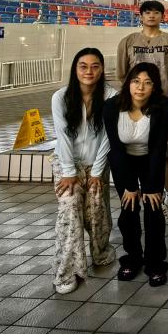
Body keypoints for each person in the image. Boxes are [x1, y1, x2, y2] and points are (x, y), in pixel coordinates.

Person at [51, 48, 117, 295]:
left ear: (102, 69)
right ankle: (67, 272)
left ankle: (101, 251)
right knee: (70, 210)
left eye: (95, 66)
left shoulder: (111, 96)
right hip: (66, 163)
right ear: (75, 69)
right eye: (83, 66)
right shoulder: (61, 97)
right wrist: (69, 172)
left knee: (96, 209)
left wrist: (97, 172)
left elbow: (108, 137)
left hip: (97, 162)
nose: (89, 71)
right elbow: (62, 136)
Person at [103, 62, 168, 286]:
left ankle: (155, 262)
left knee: (153, 209)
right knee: (129, 208)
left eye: (147, 82)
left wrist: (151, 187)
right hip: (124, 161)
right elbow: (115, 149)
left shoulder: (163, 106)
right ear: (128, 83)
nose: (140, 87)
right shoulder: (111, 107)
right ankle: (132, 258)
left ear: (155, 87)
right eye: (136, 81)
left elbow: (158, 148)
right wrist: (130, 186)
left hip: (151, 160)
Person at [116, 0, 168, 225]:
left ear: (162, 16)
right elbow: (122, 74)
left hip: (162, 106)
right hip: (133, 106)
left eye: (156, 12)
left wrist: (161, 93)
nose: (151, 16)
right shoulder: (128, 42)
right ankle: (133, 196)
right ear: (141, 16)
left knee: (164, 154)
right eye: (147, 12)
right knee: (131, 152)